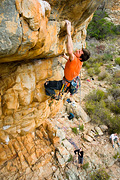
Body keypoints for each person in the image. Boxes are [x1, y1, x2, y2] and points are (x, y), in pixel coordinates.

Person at [44, 20, 90, 100]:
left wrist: (68, 32)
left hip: (63, 84)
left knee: (47, 85)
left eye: (79, 52)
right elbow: (72, 65)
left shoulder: (74, 59)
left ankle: (54, 96)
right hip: (68, 84)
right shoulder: (80, 62)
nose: (77, 50)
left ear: (79, 57)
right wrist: (65, 57)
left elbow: (70, 50)